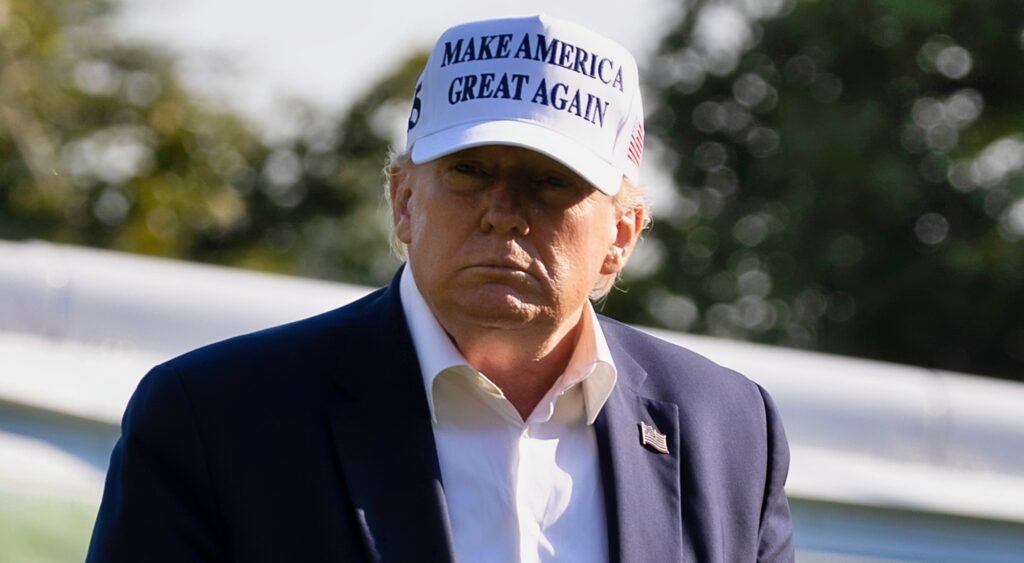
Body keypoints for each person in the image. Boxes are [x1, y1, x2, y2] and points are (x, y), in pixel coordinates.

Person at [86, 14, 795, 563]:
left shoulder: (728, 431)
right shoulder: (217, 418)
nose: (503, 211)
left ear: (621, 233)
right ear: (403, 201)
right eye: (469, 172)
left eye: (551, 181)